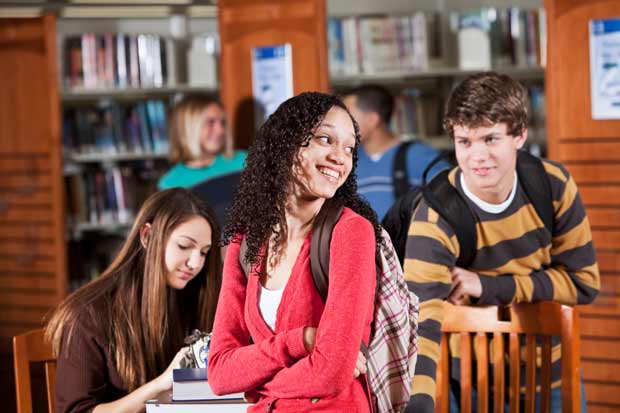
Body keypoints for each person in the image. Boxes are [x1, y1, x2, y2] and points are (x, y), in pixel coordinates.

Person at [404, 72, 600, 413]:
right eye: (465, 142)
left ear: (520, 135)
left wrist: (487, 286)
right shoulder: (436, 213)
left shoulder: (553, 186)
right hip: (471, 384)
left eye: (491, 139)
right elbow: (421, 322)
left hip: (550, 376)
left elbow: (583, 285)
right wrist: (417, 405)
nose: (477, 156)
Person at [207, 92, 383, 412]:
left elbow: (330, 373)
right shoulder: (245, 242)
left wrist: (256, 385)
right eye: (325, 139)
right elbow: (219, 373)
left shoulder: (350, 232)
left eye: (349, 148)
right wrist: (299, 341)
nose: (339, 157)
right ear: (285, 144)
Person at [45, 188, 223, 413]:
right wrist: (161, 384)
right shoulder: (88, 314)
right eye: (184, 246)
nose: (195, 263)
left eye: (204, 252)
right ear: (147, 236)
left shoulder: (194, 298)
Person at [343, 84, 448, 220]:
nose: (341, 123)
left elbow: (449, 203)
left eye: (348, 116)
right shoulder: (346, 161)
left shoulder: (421, 156)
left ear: (372, 120)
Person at [157, 95, 247, 190]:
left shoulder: (243, 162)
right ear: (188, 127)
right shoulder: (170, 184)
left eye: (223, 122)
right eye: (210, 122)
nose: (221, 130)